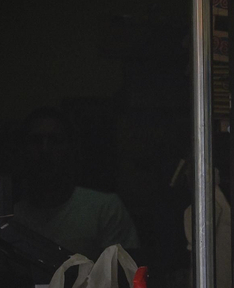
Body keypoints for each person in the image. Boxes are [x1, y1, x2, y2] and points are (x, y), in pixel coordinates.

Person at [11, 106, 140, 259]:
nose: (44, 149)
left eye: (55, 140)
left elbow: (125, 273)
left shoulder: (105, 209)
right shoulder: (7, 219)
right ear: (23, 149)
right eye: (35, 141)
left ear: (71, 149)